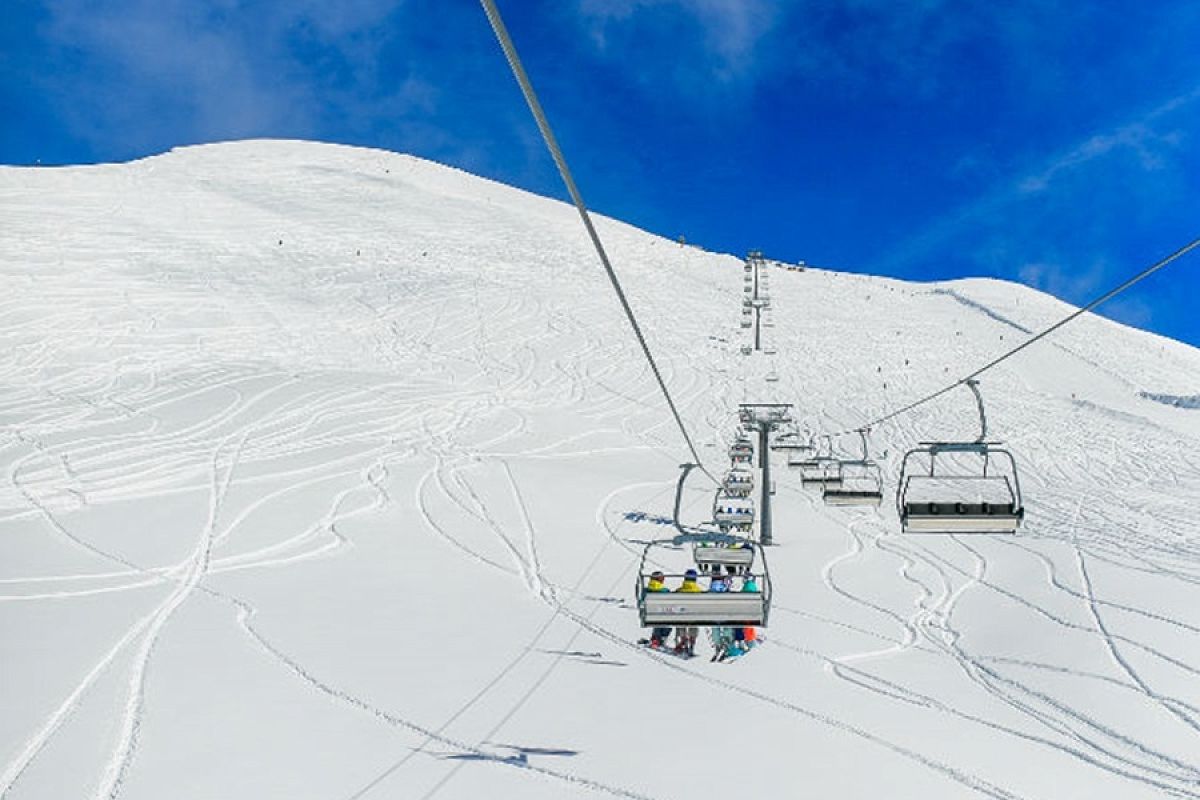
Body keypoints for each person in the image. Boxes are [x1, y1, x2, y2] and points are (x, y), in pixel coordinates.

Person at [674, 569, 702, 656]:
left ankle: (683, 640)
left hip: (682, 616)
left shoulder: (679, 591)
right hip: (693, 617)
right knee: (694, 620)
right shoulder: (699, 591)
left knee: (680, 619)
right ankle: (692, 643)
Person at [645, 571, 672, 648]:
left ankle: (656, 637)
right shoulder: (665, 591)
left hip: (649, 614)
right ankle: (662, 638)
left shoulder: (645, 590)